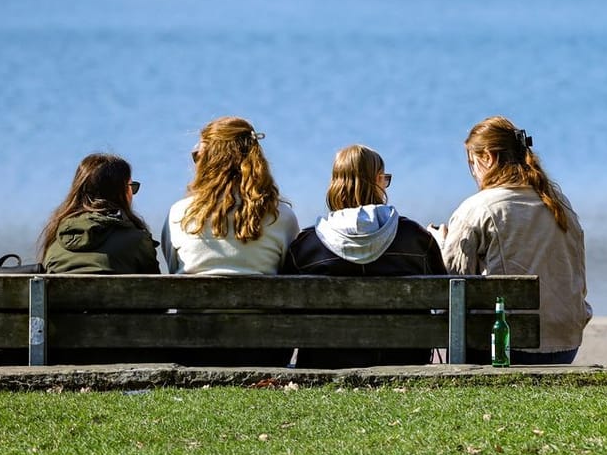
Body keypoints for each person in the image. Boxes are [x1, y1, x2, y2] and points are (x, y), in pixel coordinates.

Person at [436, 117, 591, 365]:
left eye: (472, 163)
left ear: (488, 157)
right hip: (565, 341)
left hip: (506, 346)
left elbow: (450, 288)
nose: (473, 172)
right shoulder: (558, 203)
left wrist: (442, 247)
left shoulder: (478, 207)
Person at [281, 144, 446, 368]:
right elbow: (444, 298)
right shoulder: (416, 239)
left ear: (335, 184)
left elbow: (286, 308)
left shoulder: (308, 245)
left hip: (324, 360)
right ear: (378, 180)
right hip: (405, 359)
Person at [162, 117, 298, 276]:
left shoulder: (180, 214)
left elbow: (173, 268)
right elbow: (288, 272)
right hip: (259, 301)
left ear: (207, 162)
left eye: (197, 156)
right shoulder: (281, 216)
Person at [37, 153, 159, 274]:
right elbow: (159, 290)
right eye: (131, 186)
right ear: (119, 192)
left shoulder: (54, 240)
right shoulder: (137, 241)